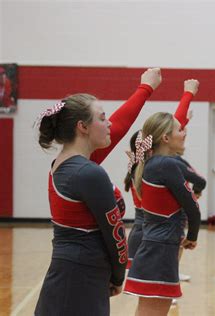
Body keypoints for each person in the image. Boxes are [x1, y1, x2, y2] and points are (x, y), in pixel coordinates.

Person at [34, 68, 162, 315]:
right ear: (82, 127)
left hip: (78, 271)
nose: (109, 122)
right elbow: (114, 233)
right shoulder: (87, 172)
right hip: (79, 277)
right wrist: (117, 274)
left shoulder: (72, 163)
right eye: (102, 118)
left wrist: (145, 88)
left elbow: (118, 128)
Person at [123, 113, 201, 316]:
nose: (183, 134)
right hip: (160, 250)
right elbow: (192, 208)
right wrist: (192, 237)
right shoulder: (167, 165)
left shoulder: (153, 164)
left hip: (155, 247)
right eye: (179, 130)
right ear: (165, 138)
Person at [125, 79, 200, 270]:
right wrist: (188, 94)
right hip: (158, 233)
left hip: (147, 229)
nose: (182, 132)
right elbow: (171, 125)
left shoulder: (142, 164)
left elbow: (171, 127)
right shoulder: (160, 165)